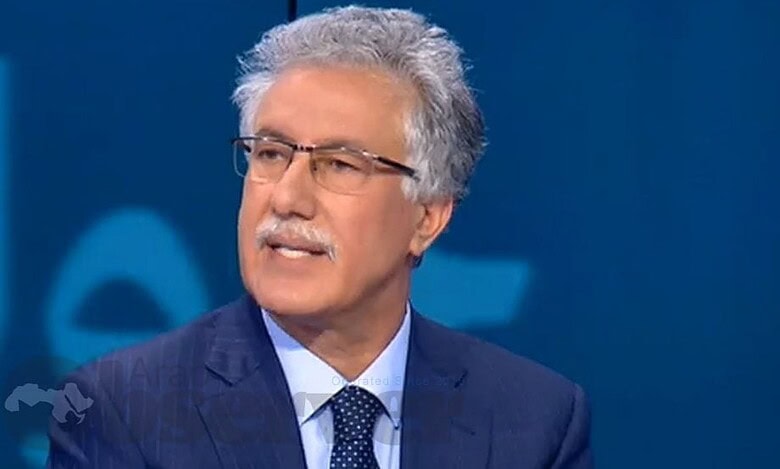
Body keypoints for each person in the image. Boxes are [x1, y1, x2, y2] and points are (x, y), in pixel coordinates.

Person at [47, 6, 593, 468]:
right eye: (270, 154)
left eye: (339, 165)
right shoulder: (123, 413)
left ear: (427, 216)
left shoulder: (534, 423)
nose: (287, 198)